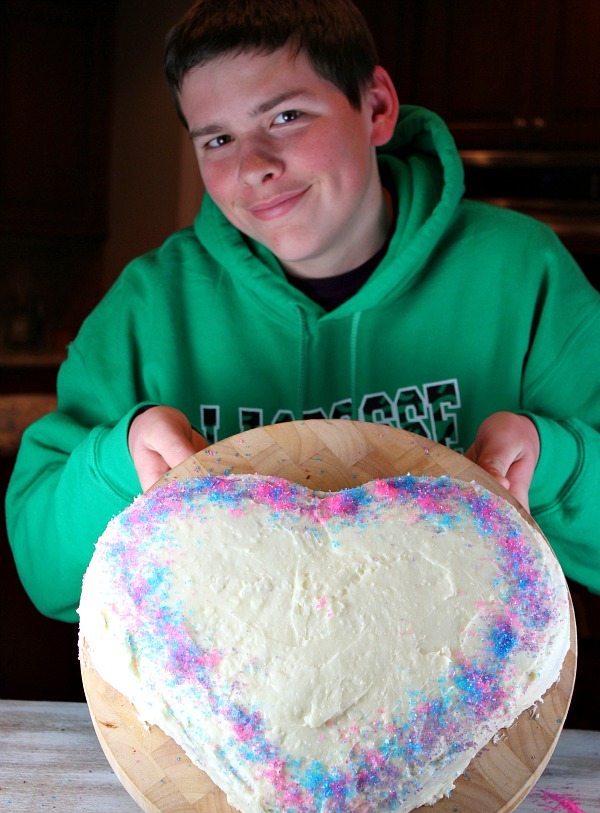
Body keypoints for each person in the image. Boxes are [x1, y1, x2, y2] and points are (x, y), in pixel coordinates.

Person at [6, 0, 600, 623]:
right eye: (218, 138)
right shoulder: (148, 307)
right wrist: (121, 462)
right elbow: (47, 578)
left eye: (286, 116)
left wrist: (556, 462)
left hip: (471, 696)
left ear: (376, 107)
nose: (252, 167)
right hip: (223, 703)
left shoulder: (523, 273)